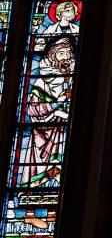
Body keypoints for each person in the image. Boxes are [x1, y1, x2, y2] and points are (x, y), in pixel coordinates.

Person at [20, 37, 75, 189]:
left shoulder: (71, 80)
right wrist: (57, 104)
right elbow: (32, 109)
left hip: (63, 134)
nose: (66, 57)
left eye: (69, 53)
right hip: (42, 134)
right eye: (61, 53)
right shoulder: (41, 82)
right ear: (52, 55)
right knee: (41, 175)